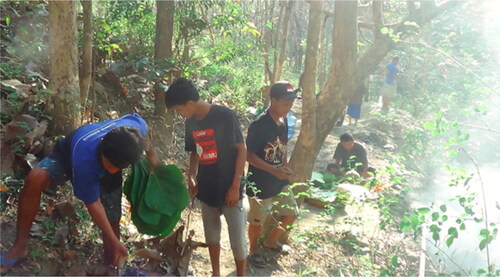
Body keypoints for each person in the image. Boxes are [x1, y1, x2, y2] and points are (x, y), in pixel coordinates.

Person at [0, 113, 159, 274]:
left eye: (118, 167)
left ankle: (112, 264)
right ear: (102, 147)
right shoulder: (86, 162)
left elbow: (143, 135)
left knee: (112, 219)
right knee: (36, 178)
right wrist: (113, 239)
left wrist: (152, 155)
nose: (112, 169)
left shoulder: (133, 129)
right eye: (110, 165)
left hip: (105, 158)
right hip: (68, 155)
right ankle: (19, 247)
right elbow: (94, 204)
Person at [165, 78, 247, 276]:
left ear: (190, 104)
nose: (179, 114)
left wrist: (235, 185)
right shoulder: (190, 122)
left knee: (237, 240)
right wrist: (192, 176)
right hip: (207, 188)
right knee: (212, 237)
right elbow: (195, 152)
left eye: (178, 109)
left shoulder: (224, 116)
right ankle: (216, 272)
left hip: (230, 187)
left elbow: (241, 149)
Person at [246, 81, 298, 268]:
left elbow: (282, 147)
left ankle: (271, 241)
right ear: (273, 100)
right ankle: (253, 251)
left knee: (292, 213)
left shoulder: (284, 121)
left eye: (291, 103)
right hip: (260, 182)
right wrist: (273, 171)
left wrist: (284, 167)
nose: (289, 107)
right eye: (286, 103)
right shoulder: (260, 124)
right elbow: (248, 155)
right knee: (257, 220)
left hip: (279, 180)